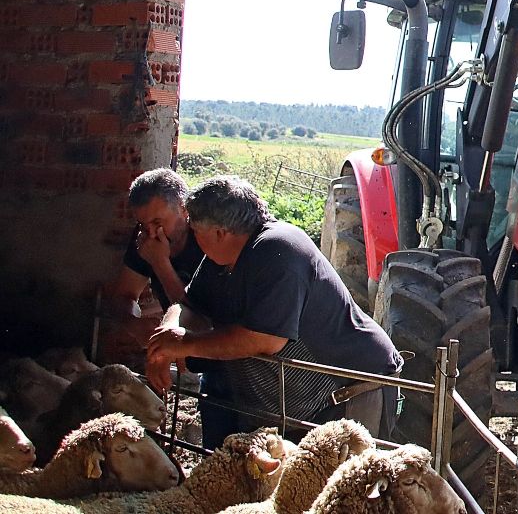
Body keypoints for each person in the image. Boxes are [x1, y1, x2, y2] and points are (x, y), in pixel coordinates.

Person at [145, 176, 400, 446]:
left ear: (220, 232)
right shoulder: (221, 259)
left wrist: (184, 344)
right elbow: (188, 304)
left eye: (196, 230)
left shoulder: (278, 250)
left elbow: (263, 339)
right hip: (294, 402)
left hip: (347, 392)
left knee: (338, 485)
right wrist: (169, 332)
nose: (194, 239)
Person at [103, 168, 205, 323]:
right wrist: (134, 324)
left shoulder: (208, 237)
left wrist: (160, 263)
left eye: (157, 222)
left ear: (184, 208)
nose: (151, 233)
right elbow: (123, 297)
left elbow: (199, 320)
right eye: (143, 224)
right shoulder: (145, 236)